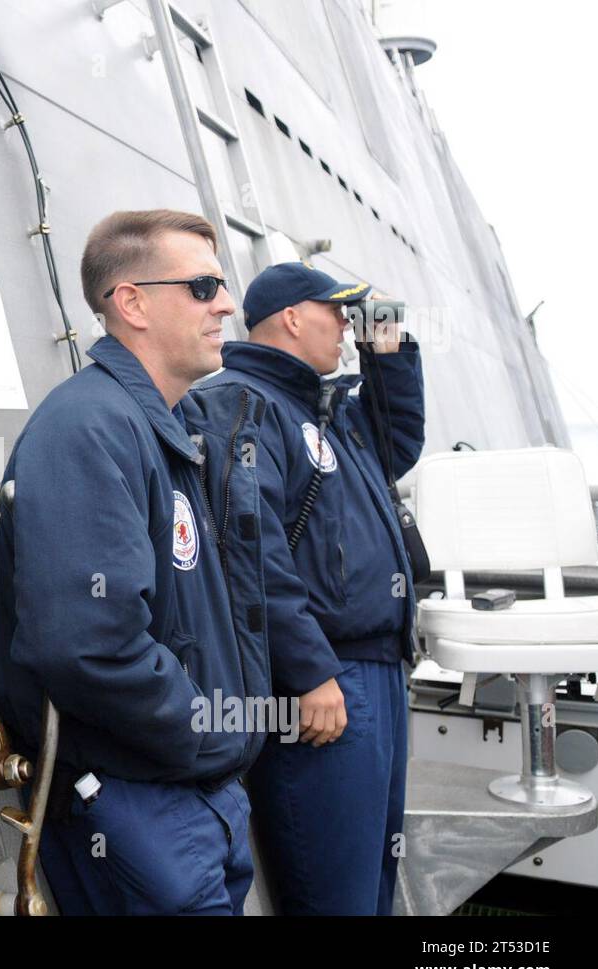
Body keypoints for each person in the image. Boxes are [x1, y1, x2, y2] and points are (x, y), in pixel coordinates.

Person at [0, 209, 272, 915]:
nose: (227, 304)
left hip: (191, 797)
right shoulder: (87, 429)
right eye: (203, 285)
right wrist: (210, 730)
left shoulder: (162, 427)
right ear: (133, 302)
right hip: (137, 805)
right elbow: (88, 644)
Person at [204, 262, 424, 915]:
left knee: (374, 883)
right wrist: (308, 670)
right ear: (294, 318)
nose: (346, 328)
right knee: (338, 896)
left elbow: (398, 442)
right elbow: (249, 547)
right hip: (326, 683)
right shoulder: (243, 402)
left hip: (377, 672)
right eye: (338, 313)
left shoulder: (326, 407)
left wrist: (388, 347)